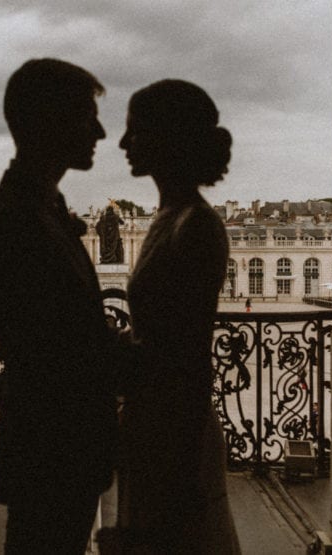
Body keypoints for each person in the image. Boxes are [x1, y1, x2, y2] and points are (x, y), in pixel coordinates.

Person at [0, 58, 118, 554]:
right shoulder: (20, 221)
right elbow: (60, 356)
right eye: (86, 115)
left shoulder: (36, 209)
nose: (99, 130)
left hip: (54, 447)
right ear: (48, 122)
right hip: (54, 451)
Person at [113, 79, 241, 552]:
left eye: (134, 131)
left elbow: (182, 362)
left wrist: (95, 356)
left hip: (173, 434)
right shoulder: (173, 216)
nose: (123, 143)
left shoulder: (195, 226)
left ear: (167, 138)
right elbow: (165, 337)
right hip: (157, 424)